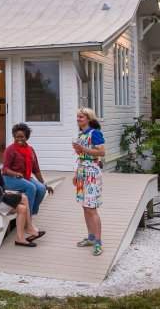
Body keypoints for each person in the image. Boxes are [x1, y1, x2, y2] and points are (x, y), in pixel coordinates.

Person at [0, 140, 45, 247]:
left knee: (24, 199)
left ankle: (26, 231)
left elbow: (0, 185)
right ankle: (23, 235)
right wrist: (7, 195)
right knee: (22, 206)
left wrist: (6, 192)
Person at [72, 107, 105, 256]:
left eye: (81, 117)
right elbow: (81, 156)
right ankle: (91, 237)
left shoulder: (95, 133)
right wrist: (76, 173)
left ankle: (98, 242)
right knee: (85, 207)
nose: (78, 119)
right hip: (82, 172)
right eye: (78, 117)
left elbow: (101, 152)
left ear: (89, 119)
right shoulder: (81, 134)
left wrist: (83, 149)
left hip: (92, 172)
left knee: (92, 208)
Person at [2, 123, 54, 215]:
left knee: (41, 189)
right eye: (17, 137)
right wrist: (15, 173)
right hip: (9, 178)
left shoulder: (30, 150)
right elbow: (5, 169)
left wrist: (44, 184)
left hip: (24, 177)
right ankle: (27, 217)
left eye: (22, 137)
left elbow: (36, 169)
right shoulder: (10, 150)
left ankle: (30, 214)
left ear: (27, 137)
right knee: (31, 187)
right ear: (14, 136)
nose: (19, 139)